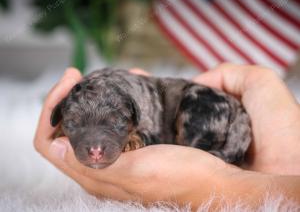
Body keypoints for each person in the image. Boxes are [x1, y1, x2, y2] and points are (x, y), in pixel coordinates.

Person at [34, 63, 300, 210]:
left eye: (115, 123)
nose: (94, 148)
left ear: (134, 116)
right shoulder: (85, 100)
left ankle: (215, 157)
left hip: (215, 116)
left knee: (198, 105)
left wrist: (221, 183)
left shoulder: (138, 106)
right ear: (61, 118)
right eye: (74, 124)